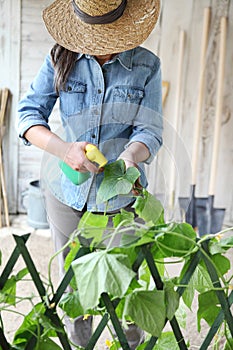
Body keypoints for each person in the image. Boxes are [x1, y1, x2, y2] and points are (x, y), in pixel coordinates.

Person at [18, 0, 163, 348]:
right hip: (67, 191)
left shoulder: (146, 64)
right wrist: (63, 149)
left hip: (122, 196)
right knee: (74, 285)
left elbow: (151, 132)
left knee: (126, 286)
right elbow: (27, 117)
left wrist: (129, 157)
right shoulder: (60, 57)